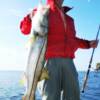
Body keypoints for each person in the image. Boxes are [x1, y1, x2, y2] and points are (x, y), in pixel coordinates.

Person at [20, 0, 98, 100]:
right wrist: (29, 18)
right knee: (50, 97)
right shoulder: (43, 12)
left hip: (69, 63)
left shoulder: (70, 20)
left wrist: (88, 44)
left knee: (73, 96)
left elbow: (72, 40)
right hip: (49, 62)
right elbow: (24, 29)